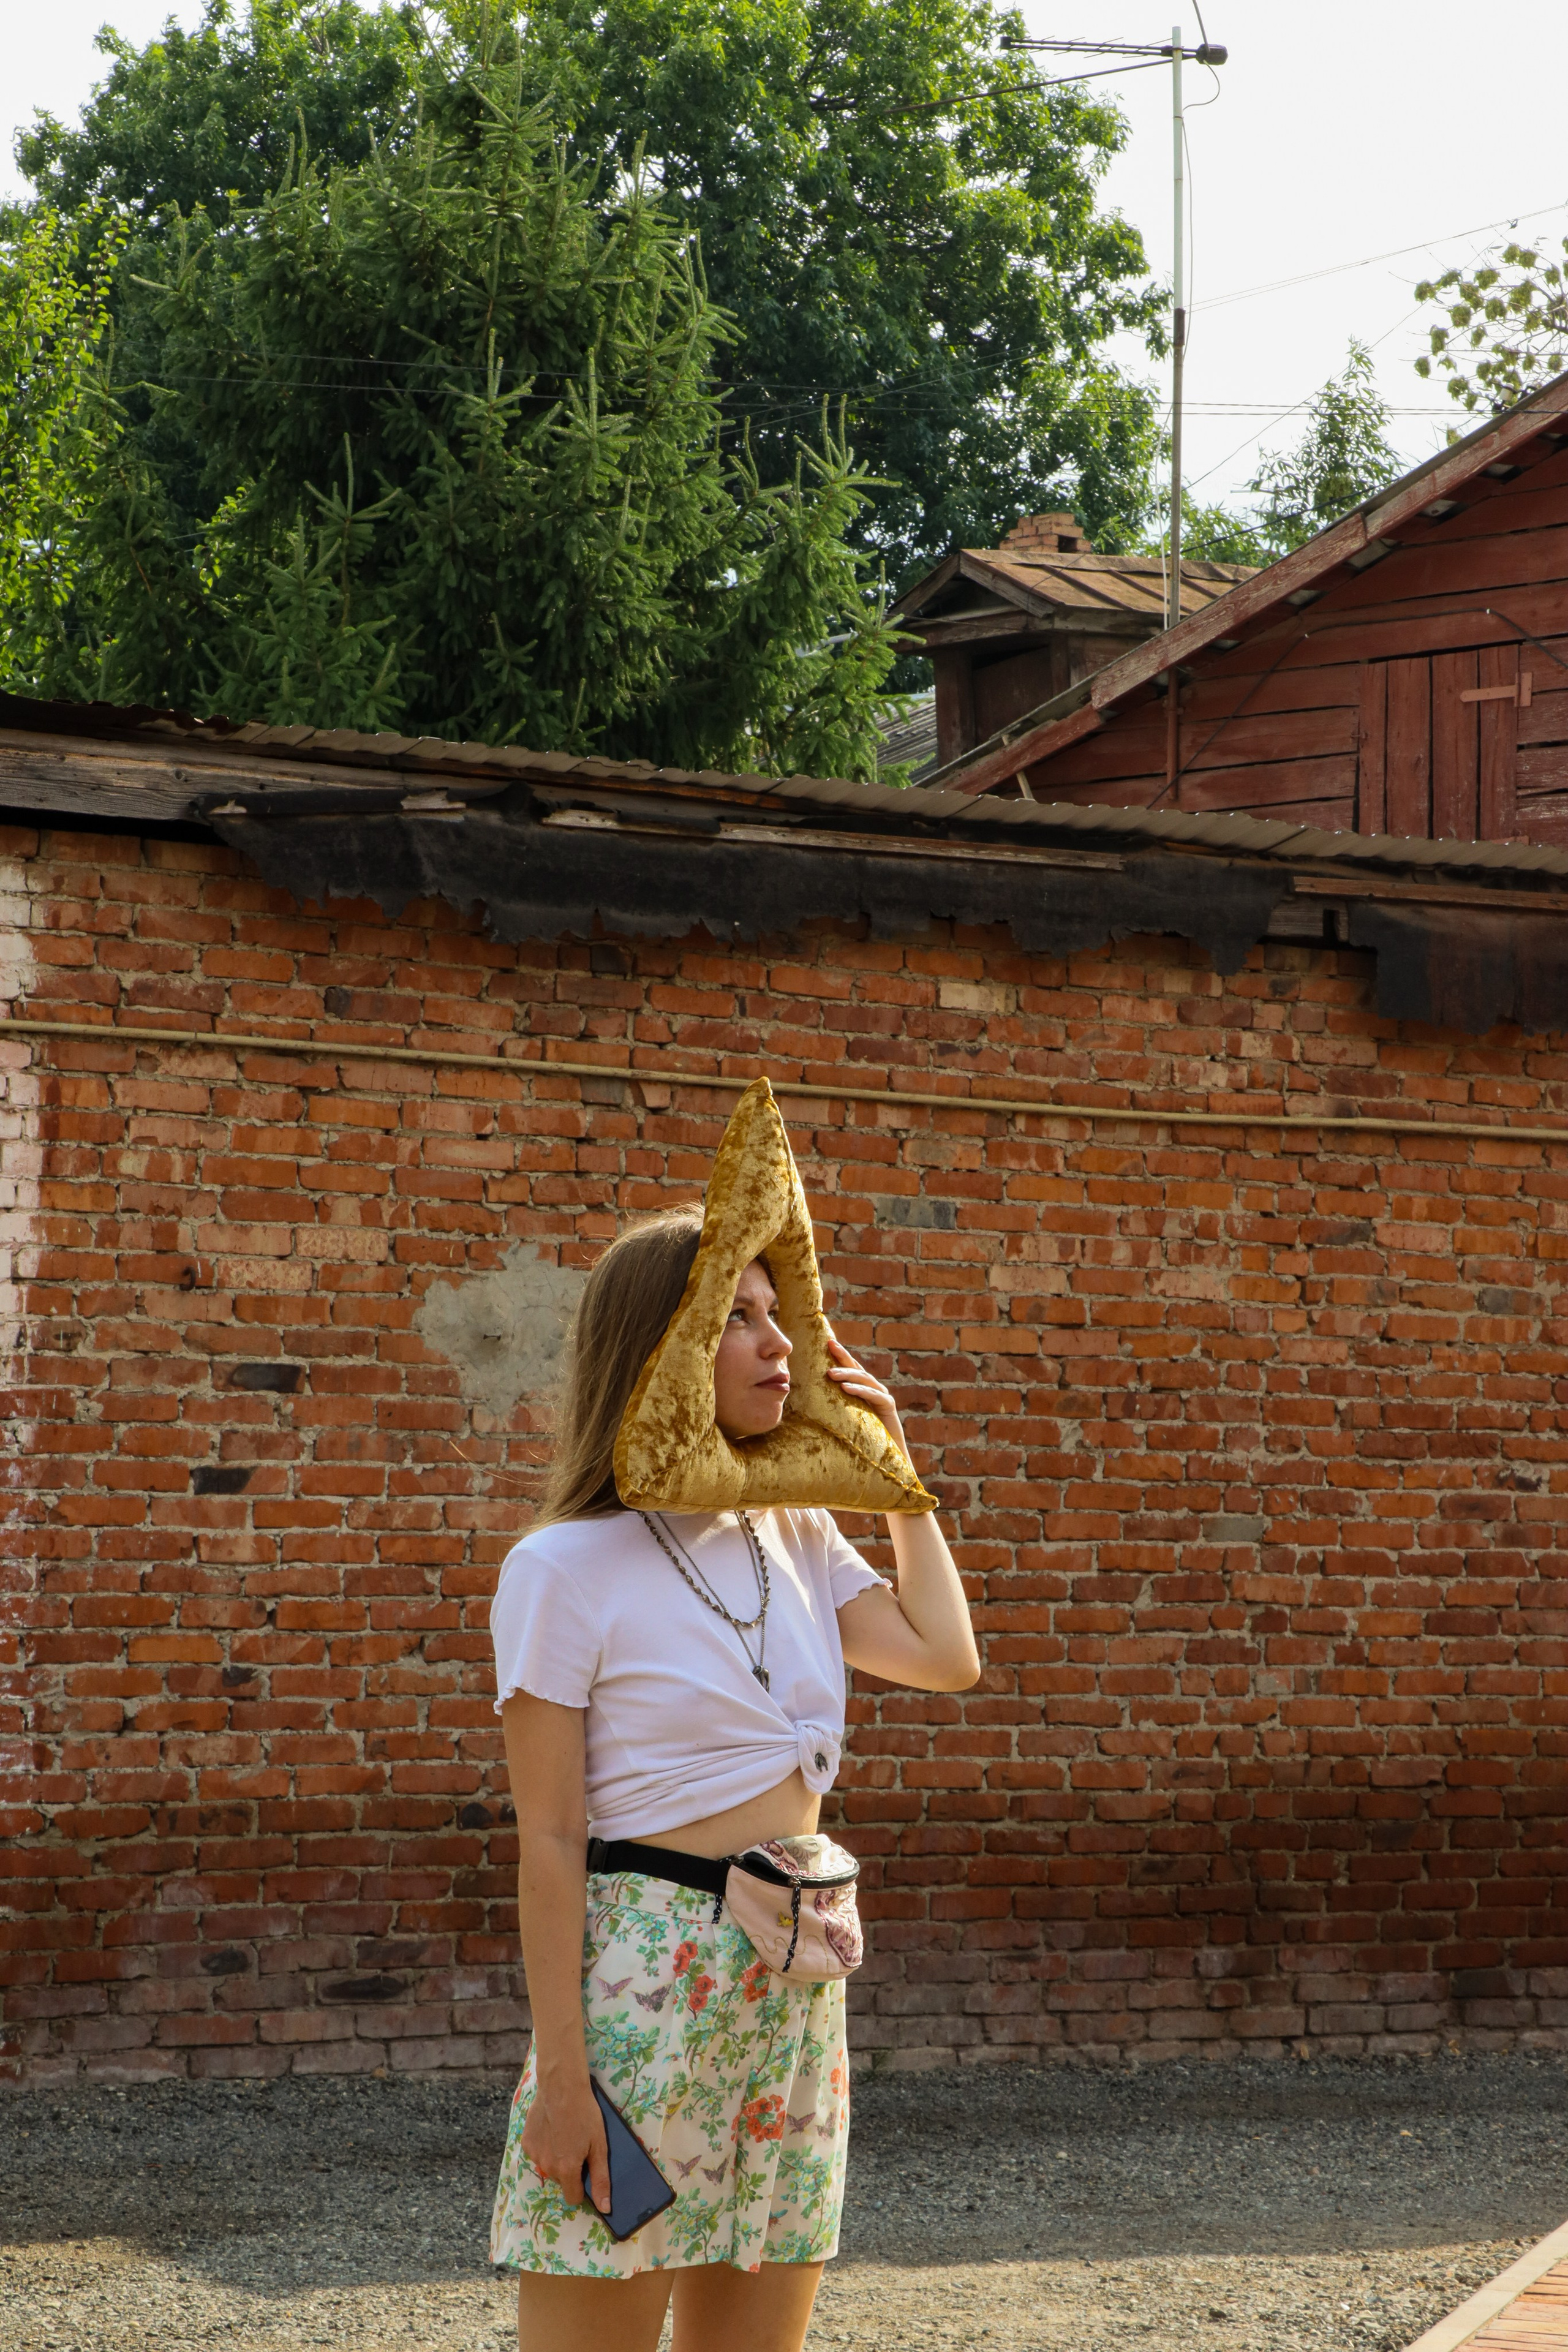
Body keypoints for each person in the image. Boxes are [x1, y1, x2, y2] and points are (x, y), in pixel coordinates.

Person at [488, 1203, 979, 2352]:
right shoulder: (559, 1568)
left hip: (797, 1986)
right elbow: (552, 1842)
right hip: (643, 1992)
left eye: (779, 1314)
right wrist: (564, 2083)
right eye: (739, 1319)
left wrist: (896, 1480)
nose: (783, 1345)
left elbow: (946, 1658)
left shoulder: (798, 1532)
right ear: (659, 1350)